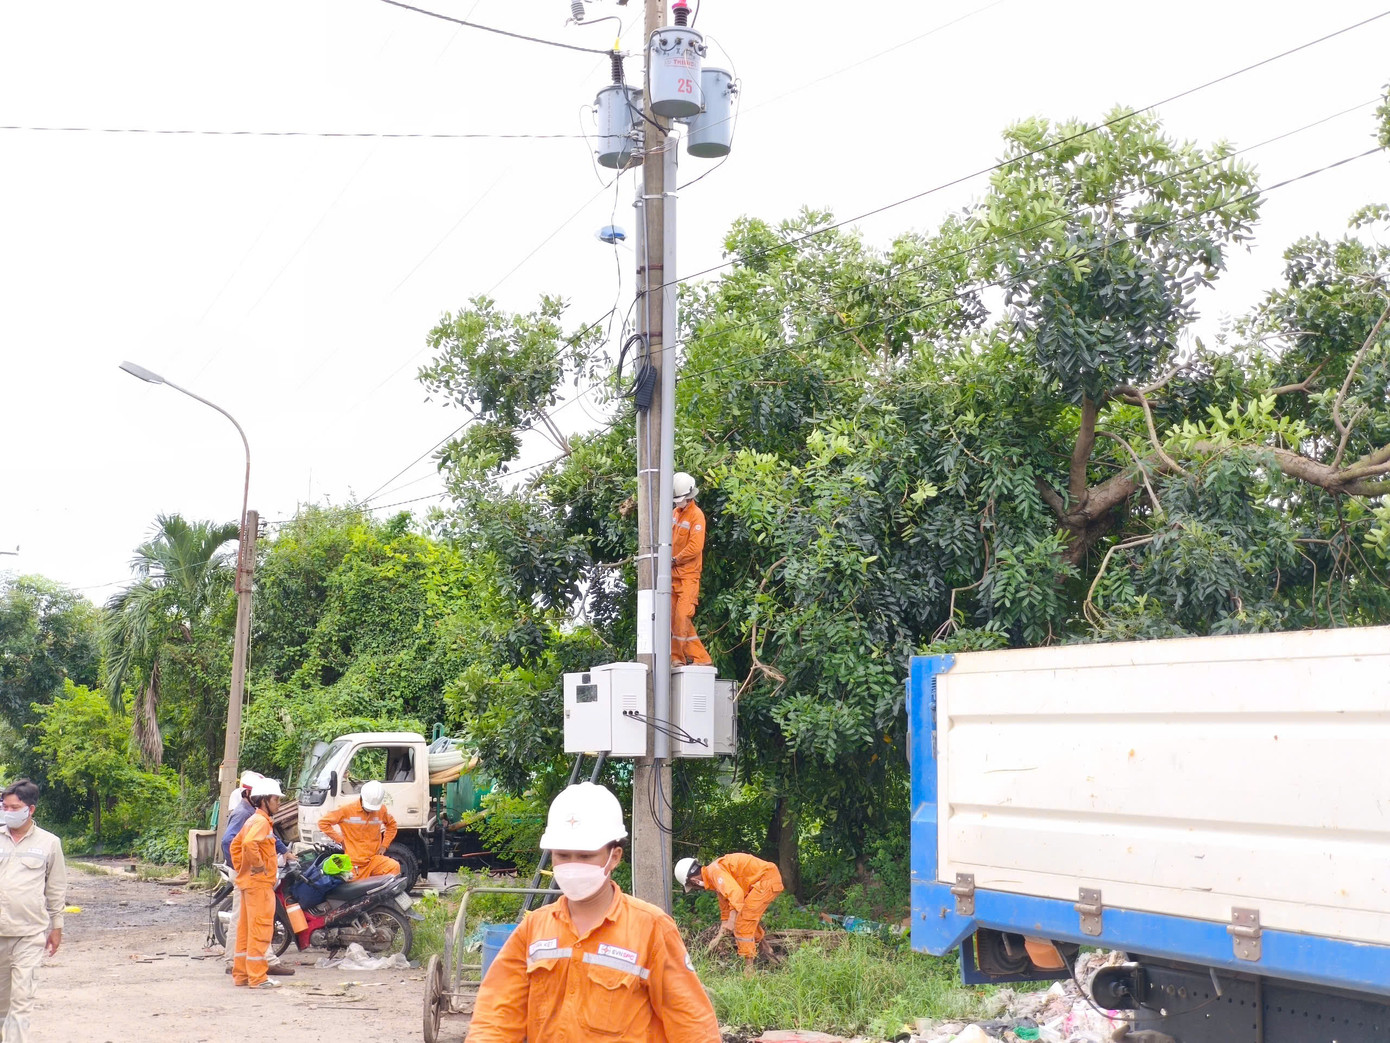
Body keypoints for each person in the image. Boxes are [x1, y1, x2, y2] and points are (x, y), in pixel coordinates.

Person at [469, 782, 718, 1043]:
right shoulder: (534, 929)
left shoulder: (651, 929)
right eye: (563, 854)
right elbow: (496, 1016)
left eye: (586, 856)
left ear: (615, 856)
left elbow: (692, 1025)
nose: (573, 865)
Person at [0, 779, 66, 1043]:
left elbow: (56, 888)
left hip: (28, 935)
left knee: (21, 1000)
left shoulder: (49, 843)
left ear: (31, 809)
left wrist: (57, 927)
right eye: (5, 806)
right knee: (2, 1004)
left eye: (14, 807)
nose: (8, 811)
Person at [220, 770, 292, 976]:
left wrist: (284, 851)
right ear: (261, 798)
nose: (279, 804)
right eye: (276, 799)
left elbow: (245, 842)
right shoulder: (247, 814)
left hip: (249, 877)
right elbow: (231, 842)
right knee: (255, 923)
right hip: (253, 879)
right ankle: (253, 967)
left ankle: (243, 967)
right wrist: (250, 866)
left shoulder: (255, 816)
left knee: (246, 923)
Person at [676, 853, 783, 976]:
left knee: (742, 921)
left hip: (767, 880)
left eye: (693, 887)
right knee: (746, 916)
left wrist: (732, 920)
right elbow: (726, 908)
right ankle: (766, 949)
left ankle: (749, 971)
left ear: (695, 881)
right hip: (764, 880)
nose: (697, 889)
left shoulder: (715, 873)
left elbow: (736, 894)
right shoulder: (713, 876)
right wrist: (718, 937)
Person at [314, 780, 399, 878]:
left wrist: (384, 845)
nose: (371, 810)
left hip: (374, 859)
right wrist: (340, 840)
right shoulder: (346, 810)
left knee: (394, 867)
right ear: (361, 797)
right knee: (355, 890)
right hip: (354, 862)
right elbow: (323, 823)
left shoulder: (381, 810)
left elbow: (392, 825)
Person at [671, 471, 712, 667]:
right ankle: (678, 658)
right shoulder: (674, 514)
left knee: (682, 617)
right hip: (671, 575)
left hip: (688, 576)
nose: (677, 503)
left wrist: (675, 559)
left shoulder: (697, 516)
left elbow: (695, 547)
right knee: (672, 619)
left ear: (689, 496)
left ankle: (700, 658)